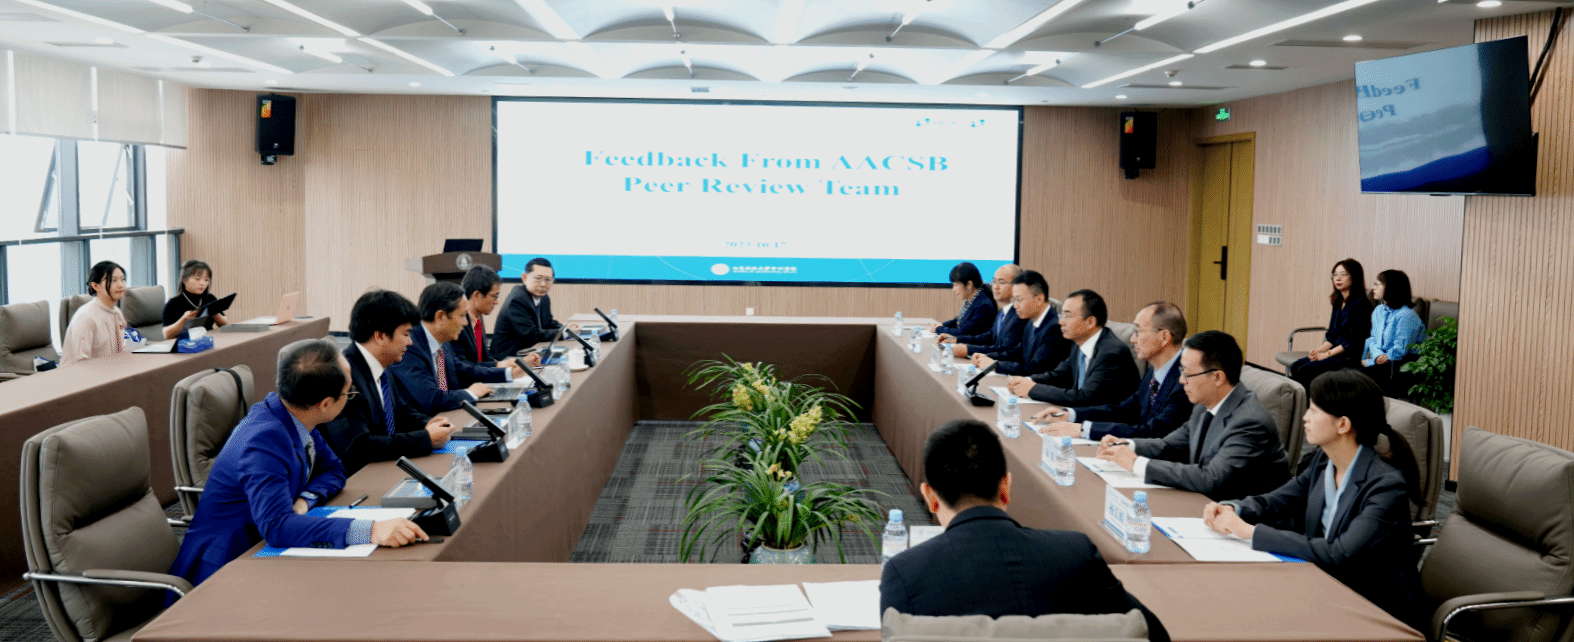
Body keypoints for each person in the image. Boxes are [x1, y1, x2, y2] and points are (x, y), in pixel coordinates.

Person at [168, 339, 430, 591]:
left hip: (268, 549)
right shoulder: (264, 441)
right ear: (324, 404)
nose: (351, 397)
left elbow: (334, 469)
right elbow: (277, 526)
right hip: (226, 569)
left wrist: (305, 500)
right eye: (349, 392)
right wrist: (370, 530)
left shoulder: (293, 413)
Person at [880, 419, 1170, 641]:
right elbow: (1151, 633)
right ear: (1006, 487)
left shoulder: (906, 572)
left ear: (930, 497)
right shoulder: (1075, 553)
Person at [1203, 369, 1424, 630]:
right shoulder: (1323, 462)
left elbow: (1340, 553)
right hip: (1324, 587)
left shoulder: (1386, 485)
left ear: (1343, 425)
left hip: (1374, 609)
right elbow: (1278, 501)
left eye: (1314, 411)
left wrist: (1250, 532)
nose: (1305, 418)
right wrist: (1233, 508)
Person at [1096, 331, 1289, 501]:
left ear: (1217, 377)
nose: (1181, 381)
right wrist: (1125, 446)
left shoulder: (1250, 422)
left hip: (1242, 519)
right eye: (1181, 372)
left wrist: (1137, 463)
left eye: (1187, 374)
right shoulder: (1203, 406)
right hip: (1204, 504)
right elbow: (1169, 445)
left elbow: (1210, 478)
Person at [319, 290, 454, 475]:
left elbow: (400, 411)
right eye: (406, 334)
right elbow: (358, 448)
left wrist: (428, 423)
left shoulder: (381, 365)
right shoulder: (344, 377)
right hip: (359, 477)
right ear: (380, 336)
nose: (410, 342)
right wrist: (425, 438)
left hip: (385, 467)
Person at [1035, 302, 1192, 441]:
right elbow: (1124, 410)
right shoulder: (1154, 371)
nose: (1132, 339)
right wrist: (1070, 415)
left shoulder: (1186, 380)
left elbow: (1154, 432)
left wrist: (1084, 430)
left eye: (1138, 331)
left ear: (1164, 337)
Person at [392, 282, 528, 415]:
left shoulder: (443, 340)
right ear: (440, 317)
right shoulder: (409, 346)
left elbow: (463, 371)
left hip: (449, 414)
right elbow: (431, 399)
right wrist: (470, 393)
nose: (465, 323)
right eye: (462, 316)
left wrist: (509, 373)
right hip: (426, 423)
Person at [1005, 289, 1137, 407]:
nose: (1061, 322)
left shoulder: (1111, 353)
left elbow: (1085, 397)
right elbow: (1060, 375)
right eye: (1062, 315)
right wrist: (1027, 381)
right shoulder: (1080, 342)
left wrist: (1032, 389)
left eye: (1067, 316)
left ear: (1090, 322)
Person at [969, 270, 1071, 377]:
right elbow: (1018, 353)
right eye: (1014, 300)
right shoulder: (1031, 322)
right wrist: (987, 357)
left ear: (1039, 299)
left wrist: (996, 365)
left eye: (1019, 300)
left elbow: (1035, 368)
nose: (1015, 305)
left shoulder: (1055, 328)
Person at [1289, 259, 1373, 388]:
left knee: (1304, 370)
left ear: (1354, 277)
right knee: (1295, 366)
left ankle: (1314, 399)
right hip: (1334, 353)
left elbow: (1352, 341)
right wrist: (1318, 351)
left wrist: (1326, 355)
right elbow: (1333, 333)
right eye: (1335, 274)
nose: (1337, 278)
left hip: (1350, 357)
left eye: (1343, 274)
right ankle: (1307, 398)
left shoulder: (1361, 304)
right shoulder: (1338, 300)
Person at [450, 264, 540, 369]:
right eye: (494, 296)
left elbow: (485, 360)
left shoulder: (477, 321)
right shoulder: (458, 325)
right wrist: (501, 365)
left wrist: (518, 362)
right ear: (477, 295)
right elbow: (462, 368)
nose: (496, 302)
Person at [492, 257, 579, 359]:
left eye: (548, 280)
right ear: (524, 278)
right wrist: (563, 333)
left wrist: (565, 328)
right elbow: (531, 335)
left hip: (530, 352)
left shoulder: (544, 298)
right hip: (509, 358)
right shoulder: (517, 300)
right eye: (538, 278)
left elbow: (548, 323)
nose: (543, 284)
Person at [940, 264, 1027, 361]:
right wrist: (957, 339)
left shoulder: (1020, 315)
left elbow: (1005, 349)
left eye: (1001, 282)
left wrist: (968, 349)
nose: (995, 287)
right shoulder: (1003, 311)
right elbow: (989, 337)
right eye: (994, 281)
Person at [1360, 270, 1426, 397]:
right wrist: (1378, 355)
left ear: (1392, 287)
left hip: (1399, 368)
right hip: (1382, 364)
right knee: (1345, 372)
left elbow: (1399, 352)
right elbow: (1373, 339)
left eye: (1378, 284)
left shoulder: (1407, 315)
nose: (1374, 288)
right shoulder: (1379, 310)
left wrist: (1370, 362)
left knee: (1355, 378)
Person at [60, 261, 128, 366]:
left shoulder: (116, 312)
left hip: (113, 371)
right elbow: (81, 363)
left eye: (122, 279)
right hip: (83, 375)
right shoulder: (86, 317)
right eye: (113, 280)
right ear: (95, 286)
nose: (121, 285)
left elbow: (121, 351)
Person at [161, 259, 231, 340]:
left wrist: (215, 313)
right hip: (185, 344)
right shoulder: (173, 303)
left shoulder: (210, 298)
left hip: (208, 341)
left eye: (206, 280)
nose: (203, 283)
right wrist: (184, 319)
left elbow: (224, 324)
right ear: (184, 280)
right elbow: (167, 335)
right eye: (197, 279)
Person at [928, 262, 996, 339]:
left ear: (969, 284)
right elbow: (959, 320)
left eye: (956, 285)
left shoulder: (983, 305)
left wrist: (939, 329)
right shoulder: (974, 299)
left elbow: (963, 332)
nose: (954, 289)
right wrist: (942, 325)